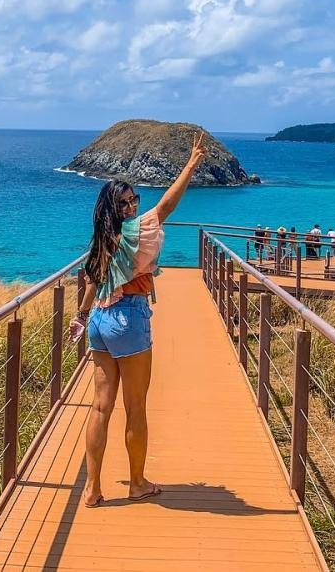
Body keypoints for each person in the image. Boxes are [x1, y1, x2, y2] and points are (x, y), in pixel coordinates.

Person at [70, 132, 207, 507]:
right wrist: (192, 163)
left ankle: (93, 487)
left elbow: (94, 282)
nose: (132, 206)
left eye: (134, 199)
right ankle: (136, 483)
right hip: (128, 319)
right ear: (115, 207)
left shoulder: (103, 236)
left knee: (100, 406)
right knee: (135, 408)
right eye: (125, 202)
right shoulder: (135, 230)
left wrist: (80, 317)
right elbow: (167, 206)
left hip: (99, 319)